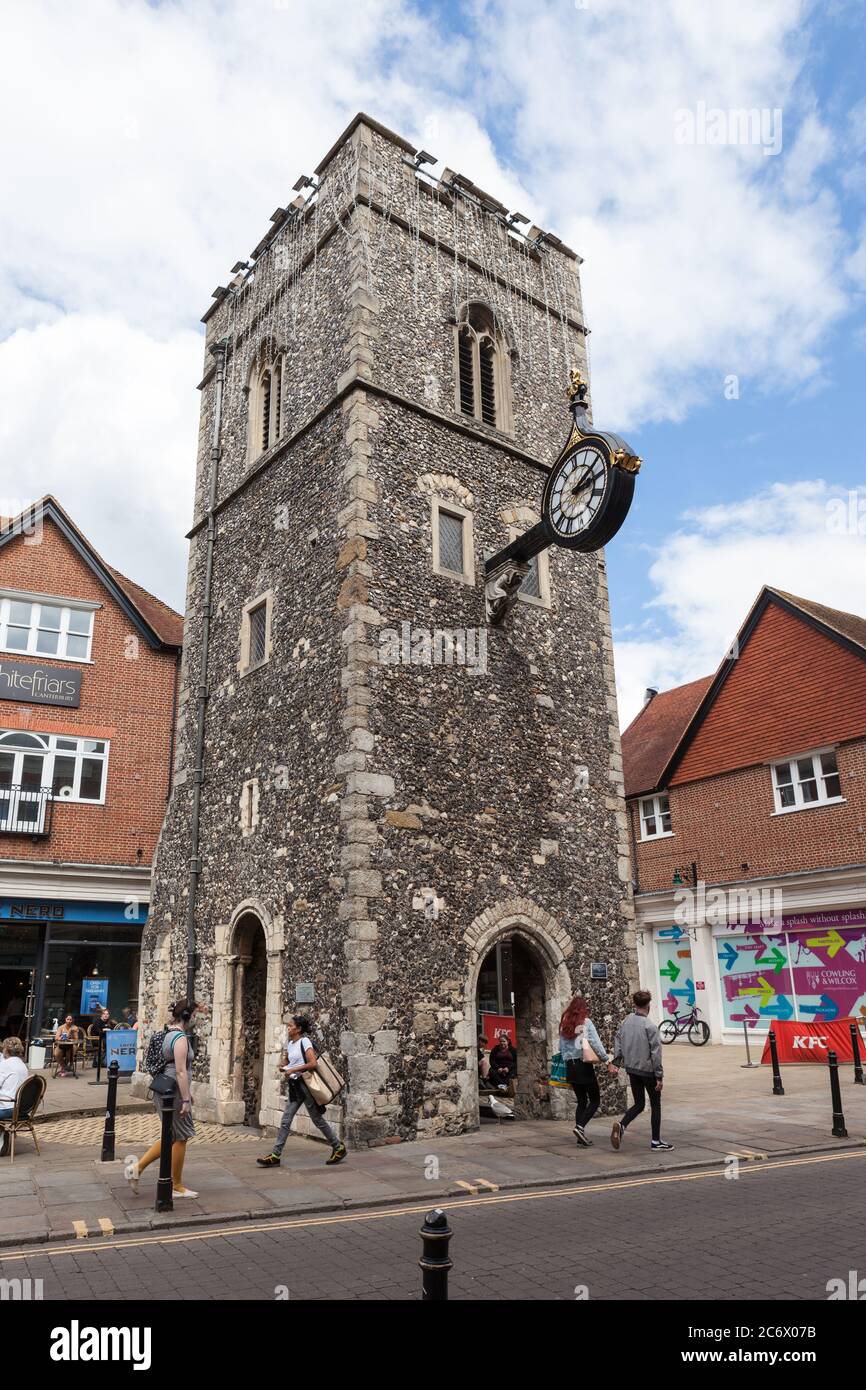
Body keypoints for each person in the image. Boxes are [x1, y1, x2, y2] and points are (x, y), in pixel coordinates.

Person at [126, 999, 201, 1199]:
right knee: (181, 1136)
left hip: (167, 1091)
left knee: (172, 1135)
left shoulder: (169, 1033)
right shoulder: (180, 1038)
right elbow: (180, 1070)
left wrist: (187, 1093)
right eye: (194, 1015)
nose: (196, 1018)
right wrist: (185, 1099)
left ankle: (137, 1169)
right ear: (186, 1016)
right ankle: (175, 1185)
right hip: (173, 1093)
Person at [257, 1015, 347, 1168]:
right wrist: (283, 1065)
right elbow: (288, 1060)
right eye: (288, 1025)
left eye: (291, 1026)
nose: (288, 1028)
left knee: (317, 1119)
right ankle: (275, 1155)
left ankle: (338, 1147)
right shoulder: (290, 1043)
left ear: (298, 1029)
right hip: (295, 1086)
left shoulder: (305, 1041)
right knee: (286, 1120)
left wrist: (293, 1069)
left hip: (306, 1086)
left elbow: (312, 1063)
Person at [609, 989, 673, 1152]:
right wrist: (659, 1076)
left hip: (632, 1069)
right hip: (648, 1072)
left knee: (639, 1103)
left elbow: (618, 1038)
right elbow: (656, 1054)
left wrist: (618, 1059)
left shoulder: (627, 1021)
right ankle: (656, 1141)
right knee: (655, 1105)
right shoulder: (650, 1026)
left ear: (635, 1004)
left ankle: (622, 1125)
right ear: (648, 1005)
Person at [559, 994, 611, 1146]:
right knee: (595, 1100)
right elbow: (595, 1042)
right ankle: (580, 1127)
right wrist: (606, 1059)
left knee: (581, 1101)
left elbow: (560, 1048)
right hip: (583, 1065)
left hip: (570, 1065)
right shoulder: (585, 1022)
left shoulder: (564, 1023)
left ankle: (580, 1138)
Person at [0, 1037, 29, 1157]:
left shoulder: (5, 1064)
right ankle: (2, 1133)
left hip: (8, 1109)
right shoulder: (22, 1064)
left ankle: (1, 1138)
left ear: (6, 1050)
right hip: (21, 1108)